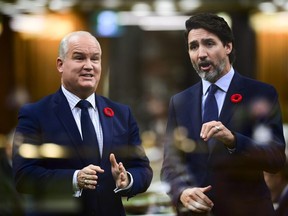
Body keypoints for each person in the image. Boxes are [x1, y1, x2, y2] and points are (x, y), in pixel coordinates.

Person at [12, 31, 153, 216]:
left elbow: (142, 168)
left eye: (95, 59)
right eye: (79, 58)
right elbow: (24, 176)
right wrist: (74, 179)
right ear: (60, 65)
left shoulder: (121, 113)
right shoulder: (35, 114)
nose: (89, 66)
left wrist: (128, 180)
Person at [160, 13, 286, 216]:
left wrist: (234, 141)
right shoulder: (180, 101)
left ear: (228, 47)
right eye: (194, 46)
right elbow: (170, 167)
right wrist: (181, 193)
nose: (201, 53)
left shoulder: (260, 93)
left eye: (209, 43)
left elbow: (276, 159)